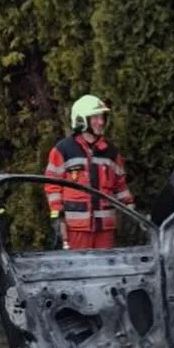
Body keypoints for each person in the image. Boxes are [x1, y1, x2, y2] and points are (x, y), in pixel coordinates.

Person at [44, 95, 135, 250]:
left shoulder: (111, 152)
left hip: (105, 229)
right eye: (95, 117)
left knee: (106, 265)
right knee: (80, 265)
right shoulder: (63, 150)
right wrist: (57, 217)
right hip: (76, 229)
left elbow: (120, 187)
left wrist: (131, 211)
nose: (101, 122)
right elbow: (52, 186)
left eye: (102, 117)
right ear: (81, 120)